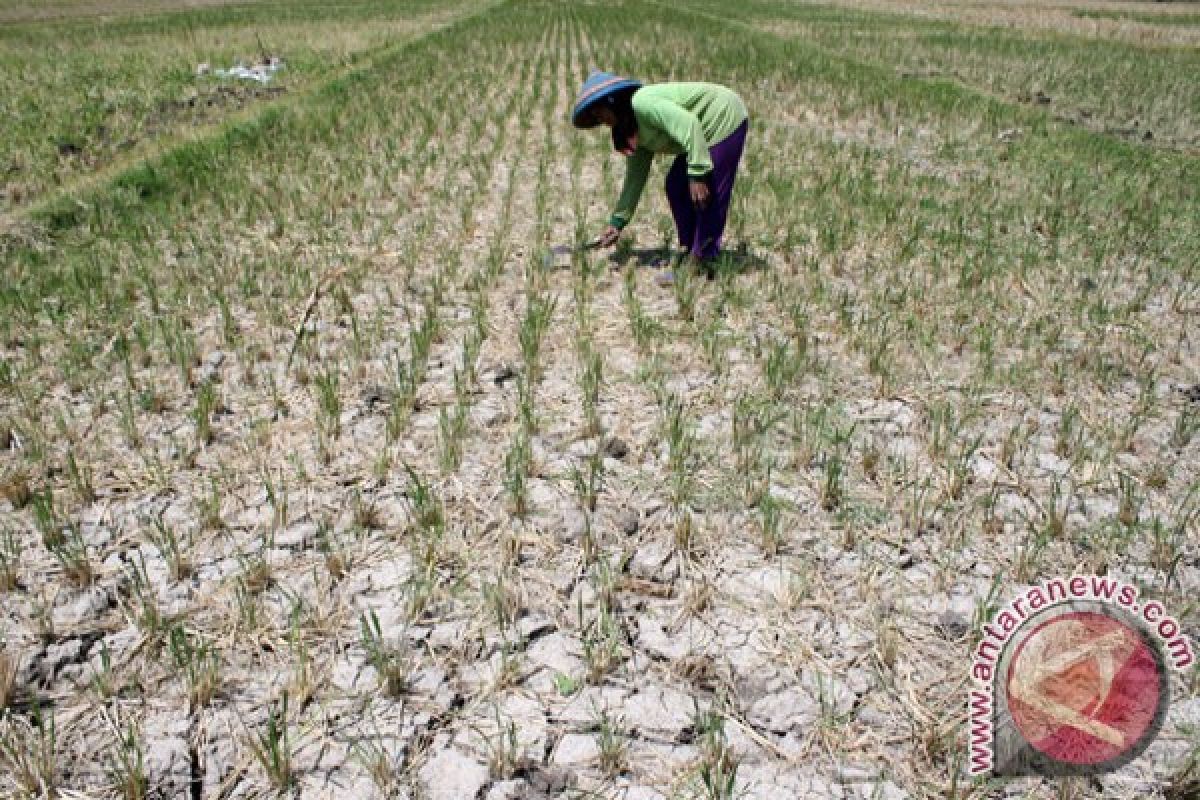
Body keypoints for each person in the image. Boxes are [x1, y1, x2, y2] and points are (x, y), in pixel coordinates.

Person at [571, 71, 749, 281]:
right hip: (700, 134)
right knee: (676, 186)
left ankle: (702, 260)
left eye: (600, 114)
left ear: (612, 102)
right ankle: (692, 248)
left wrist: (698, 174)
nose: (601, 121)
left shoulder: (643, 104)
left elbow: (689, 124)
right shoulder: (630, 127)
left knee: (706, 193)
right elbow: (635, 178)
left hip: (721, 116)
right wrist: (617, 222)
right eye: (596, 119)